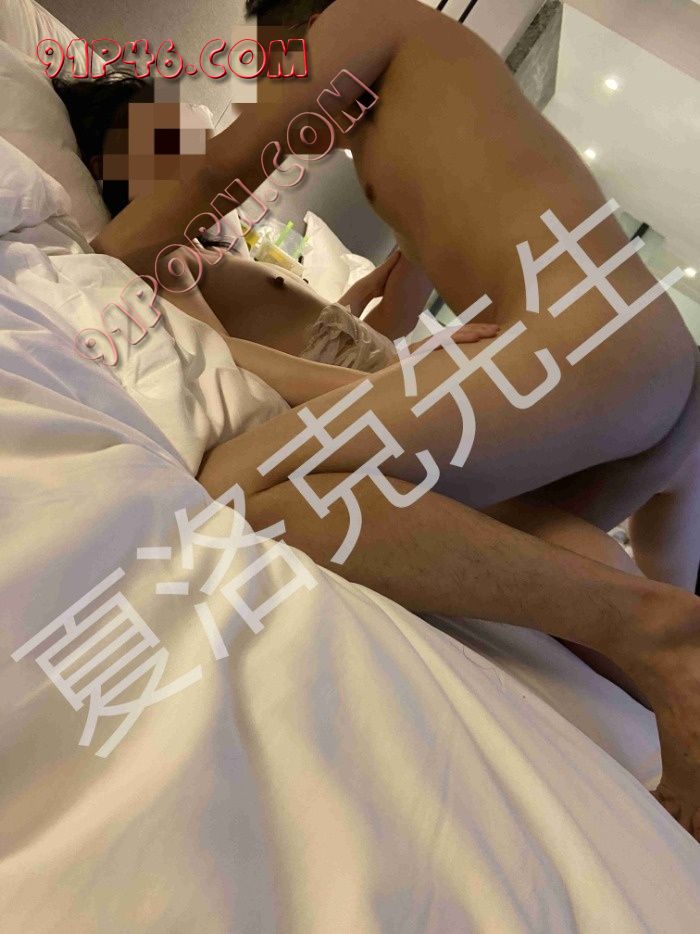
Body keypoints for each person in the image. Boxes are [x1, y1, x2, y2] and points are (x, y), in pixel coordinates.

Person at [78, 0, 700, 835]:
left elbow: (215, 169)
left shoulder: (367, 21)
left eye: (274, 64)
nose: (270, 88)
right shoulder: (436, 87)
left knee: (246, 489)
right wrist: (407, 319)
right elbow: (398, 312)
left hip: (588, 348)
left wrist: (99, 264)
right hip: (640, 356)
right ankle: (661, 660)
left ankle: (657, 632)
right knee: (520, 531)